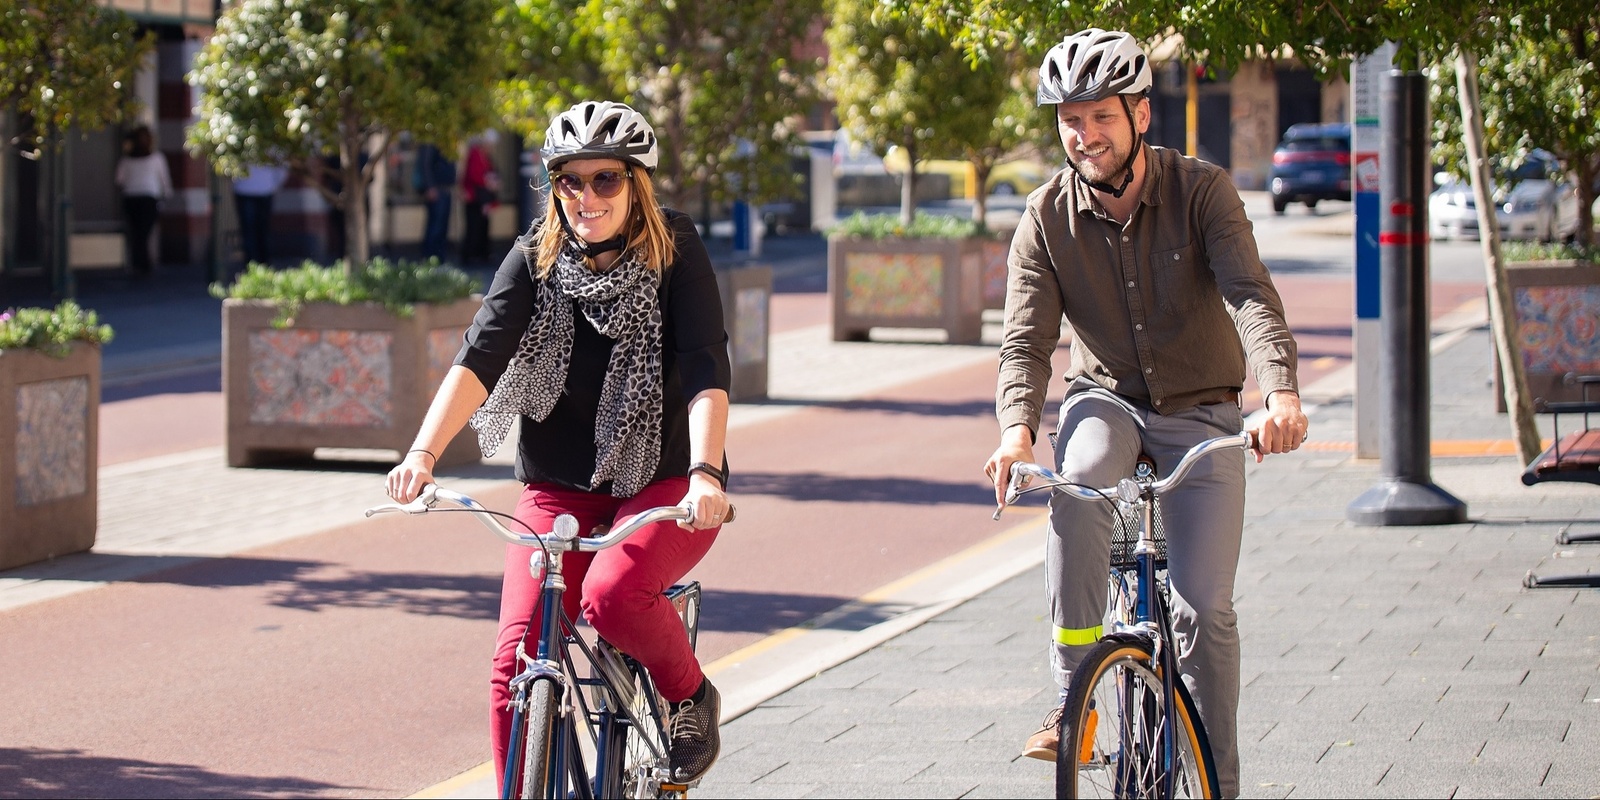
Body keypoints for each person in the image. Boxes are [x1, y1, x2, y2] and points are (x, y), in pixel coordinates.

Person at [983, 29, 1309, 799]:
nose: (1083, 134)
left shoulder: (1203, 192)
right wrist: (1015, 431)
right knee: (1078, 478)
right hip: (1108, 401)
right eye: (1070, 118)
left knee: (1205, 615)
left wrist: (1281, 393)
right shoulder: (1046, 215)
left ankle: (1220, 784)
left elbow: (1249, 297)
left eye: (1100, 116)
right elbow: (1026, 341)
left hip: (1204, 414)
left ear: (1140, 115)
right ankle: (1074, 706)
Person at [385, 100, 732, 791]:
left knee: (613, 594)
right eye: (569, 181)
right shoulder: (535, 254)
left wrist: (704, 475)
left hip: (664, 481)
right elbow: (479, 357)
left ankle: (691, 696)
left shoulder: (677, 249)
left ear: (637, 184)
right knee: (515, 656)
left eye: (605, 179)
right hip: (559, 484)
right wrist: (421, 454)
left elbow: (705, 366)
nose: (586, 197)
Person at [113, 125, 172, 278]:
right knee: (143, 233)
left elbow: (119, 180)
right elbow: (164, 180)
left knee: (137, 233)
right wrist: (166, 197)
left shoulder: (126, 160)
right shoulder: (156, 158)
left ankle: (139, 263)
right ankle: (142, 264)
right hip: (148, 199)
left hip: (132, 198)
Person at [232, 163, 289, 267]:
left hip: (261, 189)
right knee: (252, 233)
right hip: (247, 189)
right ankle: (254, 267)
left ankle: (261, 267)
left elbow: (282, 162)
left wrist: (273, 185)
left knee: (260, 232)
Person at [460, 131, 500, 265]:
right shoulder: (475, 153)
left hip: (483, 199)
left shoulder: (486, 156)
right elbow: (473, 175)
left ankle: (482, 254)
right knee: (474, 228)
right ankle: (471, 256)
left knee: (483, 227)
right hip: (474, 198)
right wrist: (488, 182)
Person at [413, 142, 457, 260]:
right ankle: (430, 257)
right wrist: (430, 187)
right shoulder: (432, 141)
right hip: (437, 190)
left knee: (442, 226)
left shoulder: (447, 141)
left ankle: (438, 258)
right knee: (435, 227)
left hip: (445, 189)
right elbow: (426, 164)